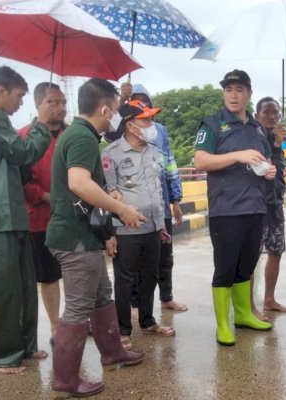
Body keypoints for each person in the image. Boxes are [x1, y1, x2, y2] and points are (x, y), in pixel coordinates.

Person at [46, 78, 146, 397]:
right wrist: (121, 208)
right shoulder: (83, 138)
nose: (118, 115)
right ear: (105, 108)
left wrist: (106, 192)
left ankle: (113, 351)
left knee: (102, 294)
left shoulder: (81, 135)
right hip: (74, 239)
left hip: (83, 235)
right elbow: (77, 183)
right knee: (77, 308)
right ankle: (65, 379)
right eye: (116, 109)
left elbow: (85, 187)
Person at [193, 69, 275, 346]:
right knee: (225, 268)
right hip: (225, 209)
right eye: (229, 90)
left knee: (247, 265)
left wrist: (269, 171)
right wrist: (238, 155)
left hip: (255, 206)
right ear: (223, 93)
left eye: (239, 90)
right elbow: (201, 161)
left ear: (249, 93)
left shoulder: (257, 127)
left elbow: (264, 162)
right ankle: (222, 325)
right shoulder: (212, 124)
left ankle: (242, 315)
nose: (234, 95)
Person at [0, 66, 52, 374]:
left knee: (25, 285)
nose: (19, 103)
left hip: (13, 214)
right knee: (4, 289)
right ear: (1, 90)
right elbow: (23, 151)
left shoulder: (2, 121)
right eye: (18, 96)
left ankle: (24, 346)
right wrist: (40, 123)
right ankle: (0, 356)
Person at [102, 100, 176, 351]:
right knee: (124, 281)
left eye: (151, 119)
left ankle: (147, 321)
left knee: (150, 277)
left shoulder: (155, 151)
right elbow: (109, 195)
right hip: (126, 231)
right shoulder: (111, 154)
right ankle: (123, 330)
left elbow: (157, 190)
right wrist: (110, 233)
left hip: (153, 228)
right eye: (145, 120)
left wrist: (160, 224)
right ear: (129, 124)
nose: (150, 125)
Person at [124, 83, 188, 313]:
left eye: (145, 102)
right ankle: (133, 303)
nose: (142, 106)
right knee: (135, 259)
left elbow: (169, 163)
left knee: (165, 254)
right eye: (135, 102)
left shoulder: (159, 130)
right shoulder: (122, 129)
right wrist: (120, 99)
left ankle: (166, 297)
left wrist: (176, 199)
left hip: (160, 204)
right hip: (134, 205)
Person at [18, 82, 67, 346]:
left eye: (62, 102)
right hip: (40, 220)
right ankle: (56, 326)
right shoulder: (23, 137)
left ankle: (77, 320)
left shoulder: (73, 134)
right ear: (38, 104)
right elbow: (23, 181)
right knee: (49, 275)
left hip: (73, 218)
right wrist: (47, 197)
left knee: (77, 271)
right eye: (53, 102)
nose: (60, 108)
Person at [253, 96, 286, 314]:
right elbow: (266, 166)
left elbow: (278, 171)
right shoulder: (254, 137)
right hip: (258, 205)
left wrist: (278, 143)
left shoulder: (278, 139)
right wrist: (275, 144)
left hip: (275, 204)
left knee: (276, 251)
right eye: (267, 111)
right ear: (257, 115)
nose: (272, 115)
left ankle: (269, 299)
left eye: (275, 112)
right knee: (253, 255)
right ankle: (249, 304)